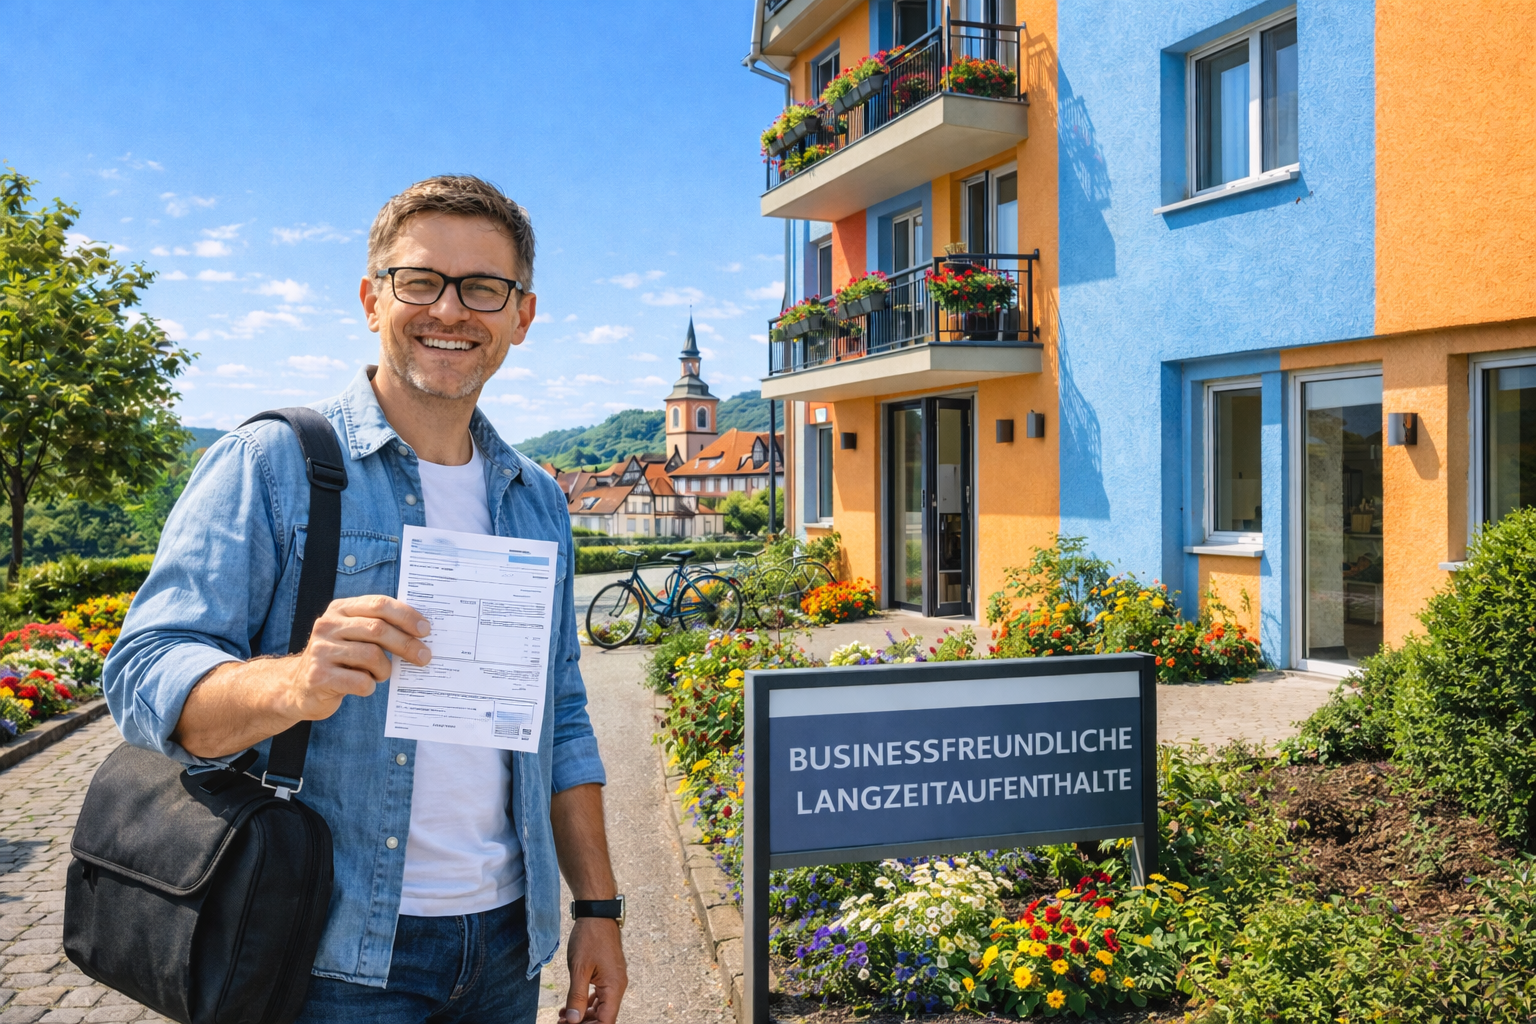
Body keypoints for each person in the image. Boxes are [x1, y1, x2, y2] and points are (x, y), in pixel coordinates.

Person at [105, 175, 627, 1024]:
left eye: (483, 288)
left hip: (504, 946)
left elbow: (560, 716)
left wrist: (598, 910)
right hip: (331, 952)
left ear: (521, 317)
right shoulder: (274, 463)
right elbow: (143, 673)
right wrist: (290, 684)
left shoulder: (536, 498)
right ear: (371, 298)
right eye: (420, 281)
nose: (450, 310)